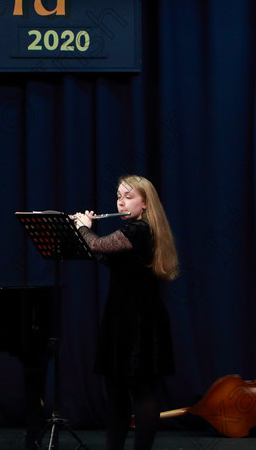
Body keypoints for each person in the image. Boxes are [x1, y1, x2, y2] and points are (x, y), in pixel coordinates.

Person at [72, 175, 179, 450]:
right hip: (120, 317)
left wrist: (84, 228)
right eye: (119, 196)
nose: (120, 202)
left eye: (128, 197)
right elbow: (102, 255)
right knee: (116, 391)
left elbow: (98, 245)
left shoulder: (140, 229)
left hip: (140, 319)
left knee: (142, 390)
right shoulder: (131, 230)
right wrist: (80, 233)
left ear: (145, 203)